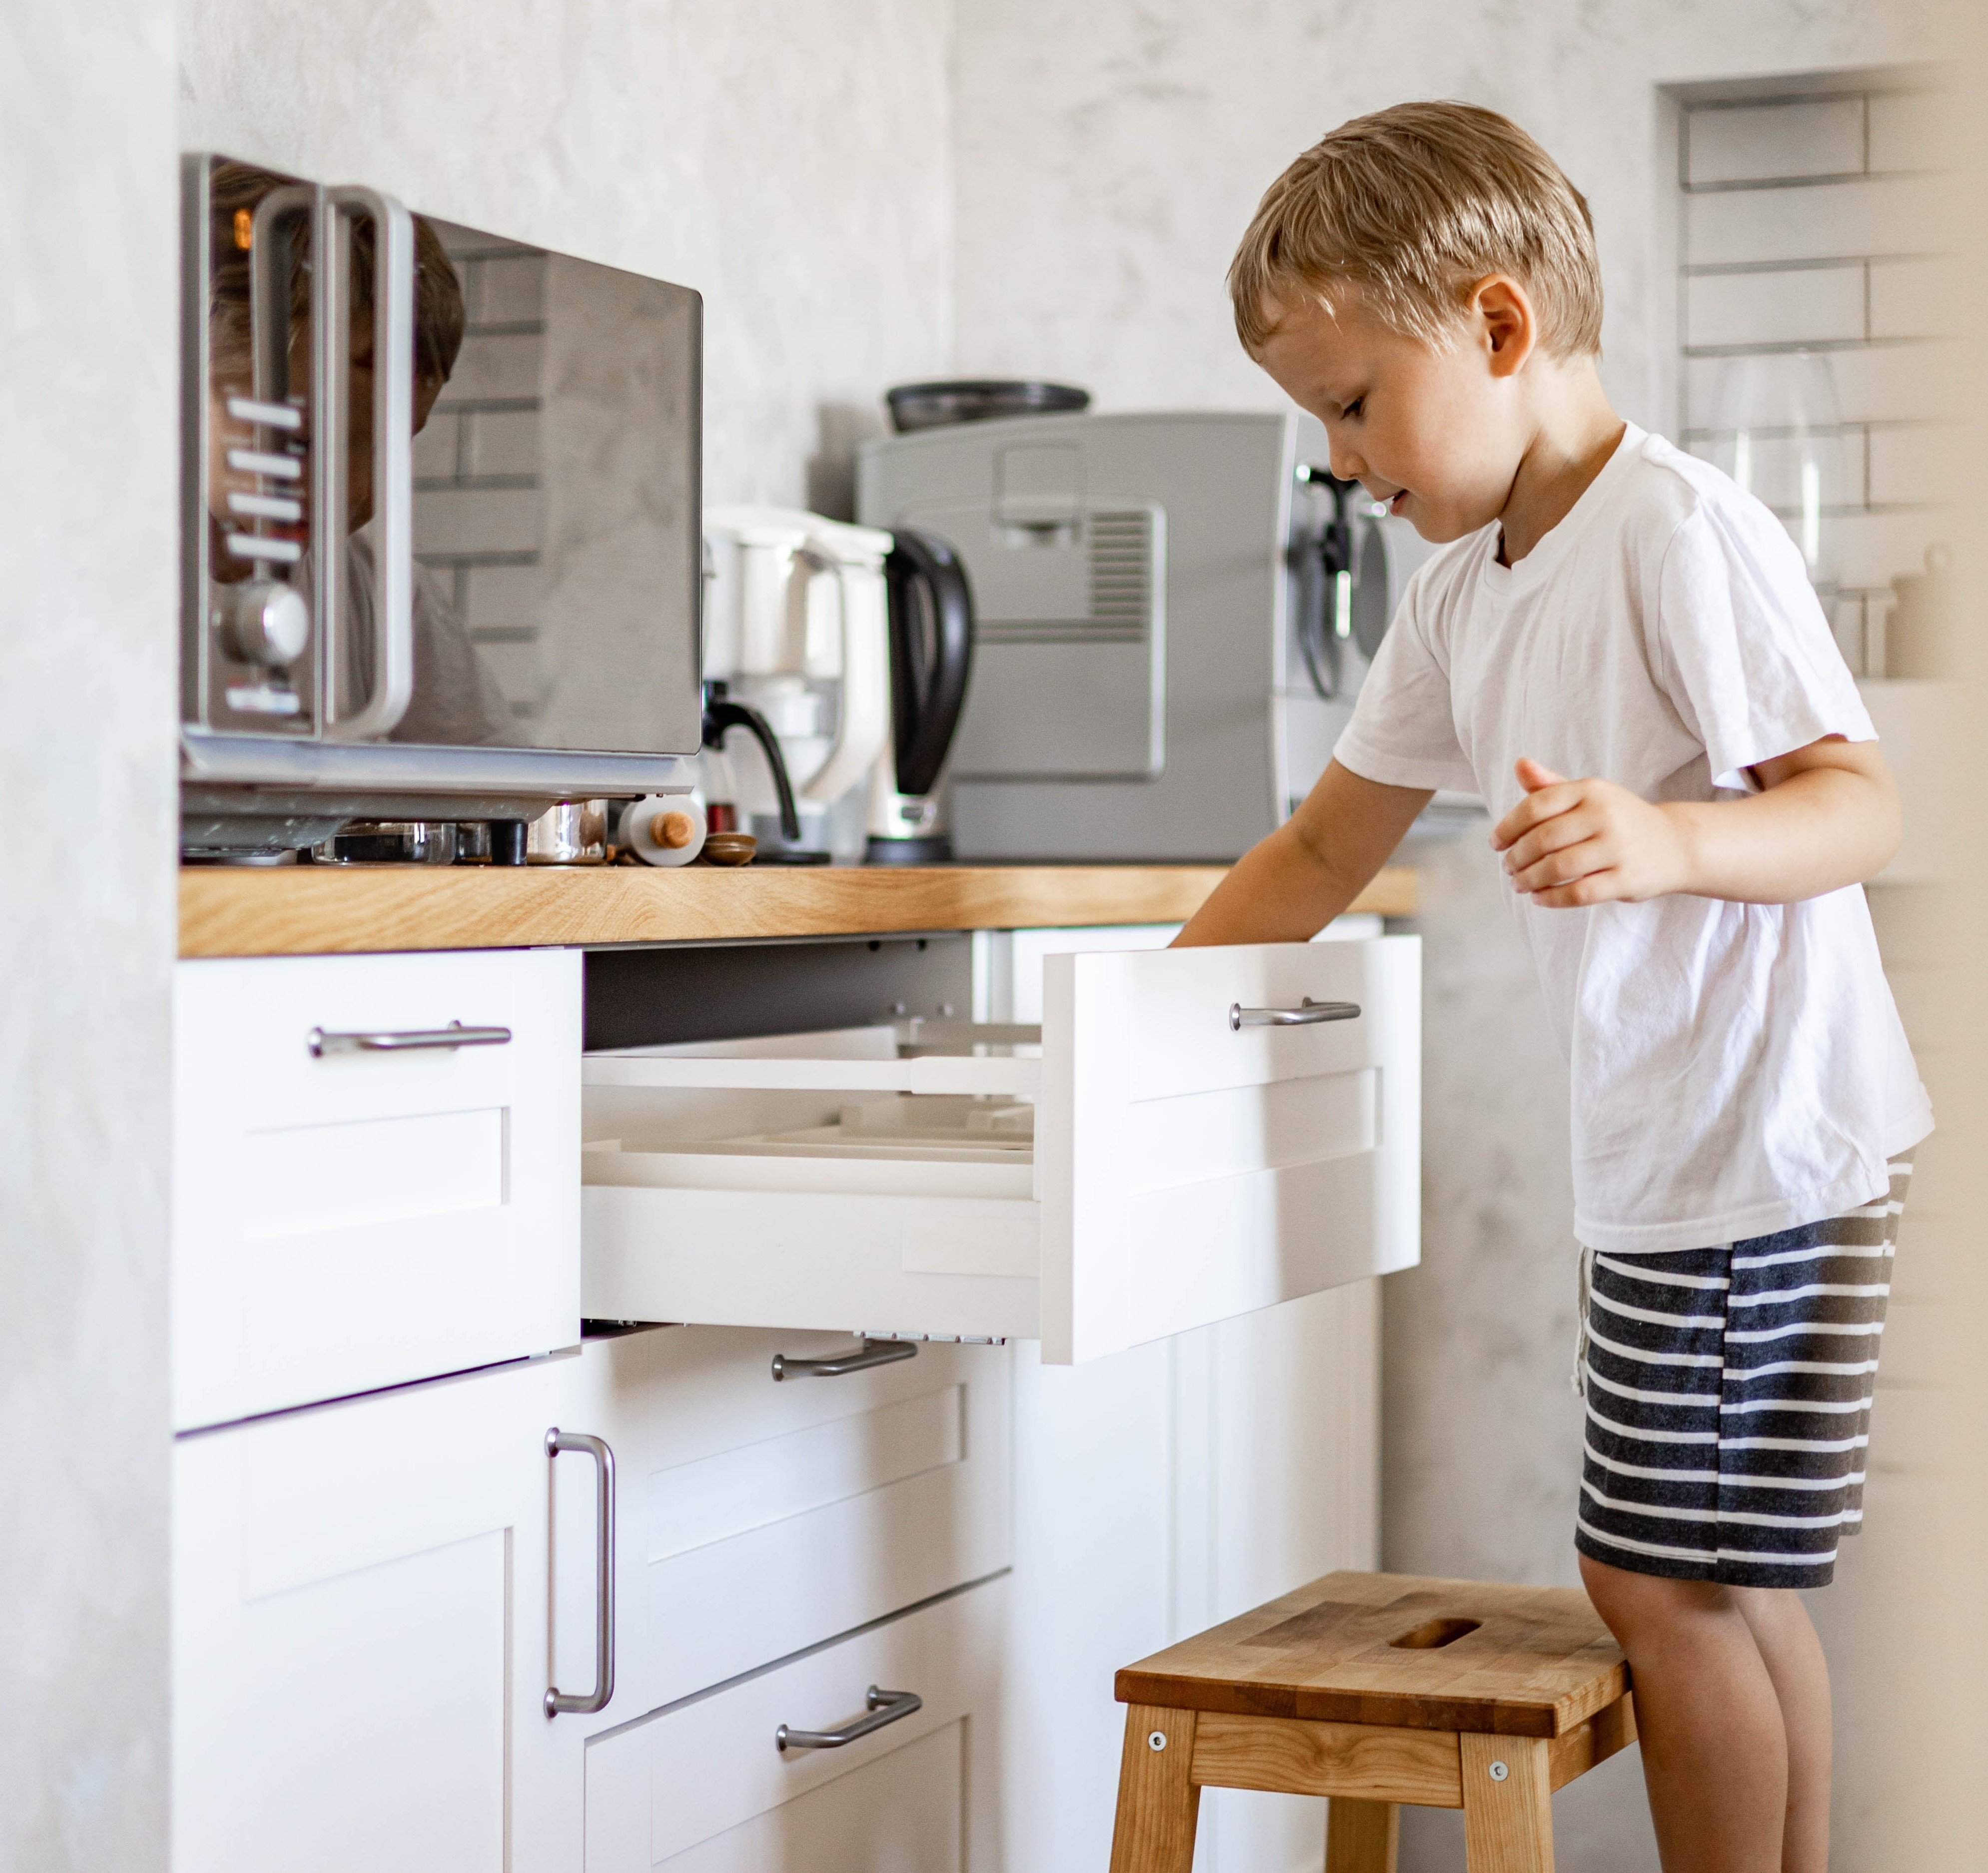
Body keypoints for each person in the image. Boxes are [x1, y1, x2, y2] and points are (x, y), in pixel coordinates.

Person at [1175, 101, 1931, 1873]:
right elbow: (1311, 852)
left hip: (1764, 1149)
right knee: (1710, 1582)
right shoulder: (1455, 598)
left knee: (1652, 1581)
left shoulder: (1675, 531)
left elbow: (1857, 802)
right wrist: (1120, 1030)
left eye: (1351, 403)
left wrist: (1664, 844)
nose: (1341, 460)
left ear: (1496, 330)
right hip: (1687, 1157)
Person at [204, 159, 513, 744]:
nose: (349, 493)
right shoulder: (102, 568)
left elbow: (491, 783)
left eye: (391, 452)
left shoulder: (378, 588)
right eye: (299, 441)